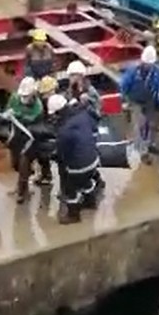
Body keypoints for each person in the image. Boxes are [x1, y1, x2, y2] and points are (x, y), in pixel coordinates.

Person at [48, 93, 100, 224]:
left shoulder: (64, 130)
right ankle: (90, 202)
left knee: (70, 186)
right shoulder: (82, 115)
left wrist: (53, 155)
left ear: (58, 113)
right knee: (86, 181)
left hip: (79, 167)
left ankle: (73, 215)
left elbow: (62, 154)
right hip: (94, 160)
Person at [120, 45, 159, 164]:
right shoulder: (133, 71)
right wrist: (124, 101)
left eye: (150, 64)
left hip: (150, 100)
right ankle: (143, 152)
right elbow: (124, 86)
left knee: (151, 124)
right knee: (139, 125)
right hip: (135, 101)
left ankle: (149, 144)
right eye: (146, 64)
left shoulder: (156, 71)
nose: (147, 66)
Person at [6, 77, 44, 203]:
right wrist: (7, 114)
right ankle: (23, 185)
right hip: (16, 136)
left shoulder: (38, 107)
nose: (24, 98)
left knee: (24, 165)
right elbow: (7, 110)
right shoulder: (14, 98)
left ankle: (22, 192)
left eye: (27, 96)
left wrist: (17, 115)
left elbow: (31, 120)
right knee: (15, 164)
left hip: (29, 140)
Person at [65, 60, 102, 127]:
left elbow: (98, 108)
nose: (70, 78)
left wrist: (87, 101)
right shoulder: (69, 91)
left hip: (90, 122)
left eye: (72, 75)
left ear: (80, 75)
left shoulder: (90, 89)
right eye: (70, 75)